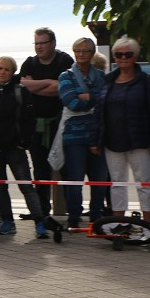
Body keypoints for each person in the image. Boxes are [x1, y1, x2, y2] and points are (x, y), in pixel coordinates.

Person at [90, 37, 150, 223]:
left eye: (128, 54)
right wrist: (95, 140)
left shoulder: (148, 82)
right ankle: (118, 223)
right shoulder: (107, 82)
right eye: (118, 54)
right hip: (112, 142)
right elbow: (99, 113)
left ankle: (148, 225)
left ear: (135, 56)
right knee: (117, 184)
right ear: (114, 57)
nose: (123, 58)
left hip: (140, 142)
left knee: (144, 183)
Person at [0, 56, 47, 238]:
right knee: (0, 187)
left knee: (26, 186)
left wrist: (24, 143)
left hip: (15, 149)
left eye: (7, 69)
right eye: (0, 68)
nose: (3, 72)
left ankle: (39, 222)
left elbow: (30, 119)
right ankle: (8, 221)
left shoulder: (20, 92)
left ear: (12, 72)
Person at [19, 28, 73, 217]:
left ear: (53, 44)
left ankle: (71, 211)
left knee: (65, 168)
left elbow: (63, 89)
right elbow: (23, 87)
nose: (39, 47)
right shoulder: (29, 63)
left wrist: (36, 86)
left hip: (60, 124)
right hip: (36, 126)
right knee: (40, 170)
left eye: (43, 43)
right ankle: (41, 211)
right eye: (36, 43)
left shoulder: (65, 61)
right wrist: (50, 82)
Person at [55, 37, 108, 228]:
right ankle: (74, 216)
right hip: (73, 136)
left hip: (97, 134)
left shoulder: (101, 76)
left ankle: (96, 215)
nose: (81, 54)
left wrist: (90, 97)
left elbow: (106, 101)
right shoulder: (65, 76)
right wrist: (94, 99)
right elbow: (72, 102)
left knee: (99, 179)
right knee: (74, 179)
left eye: (85, 51)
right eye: (78, 50)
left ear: (93, 53)